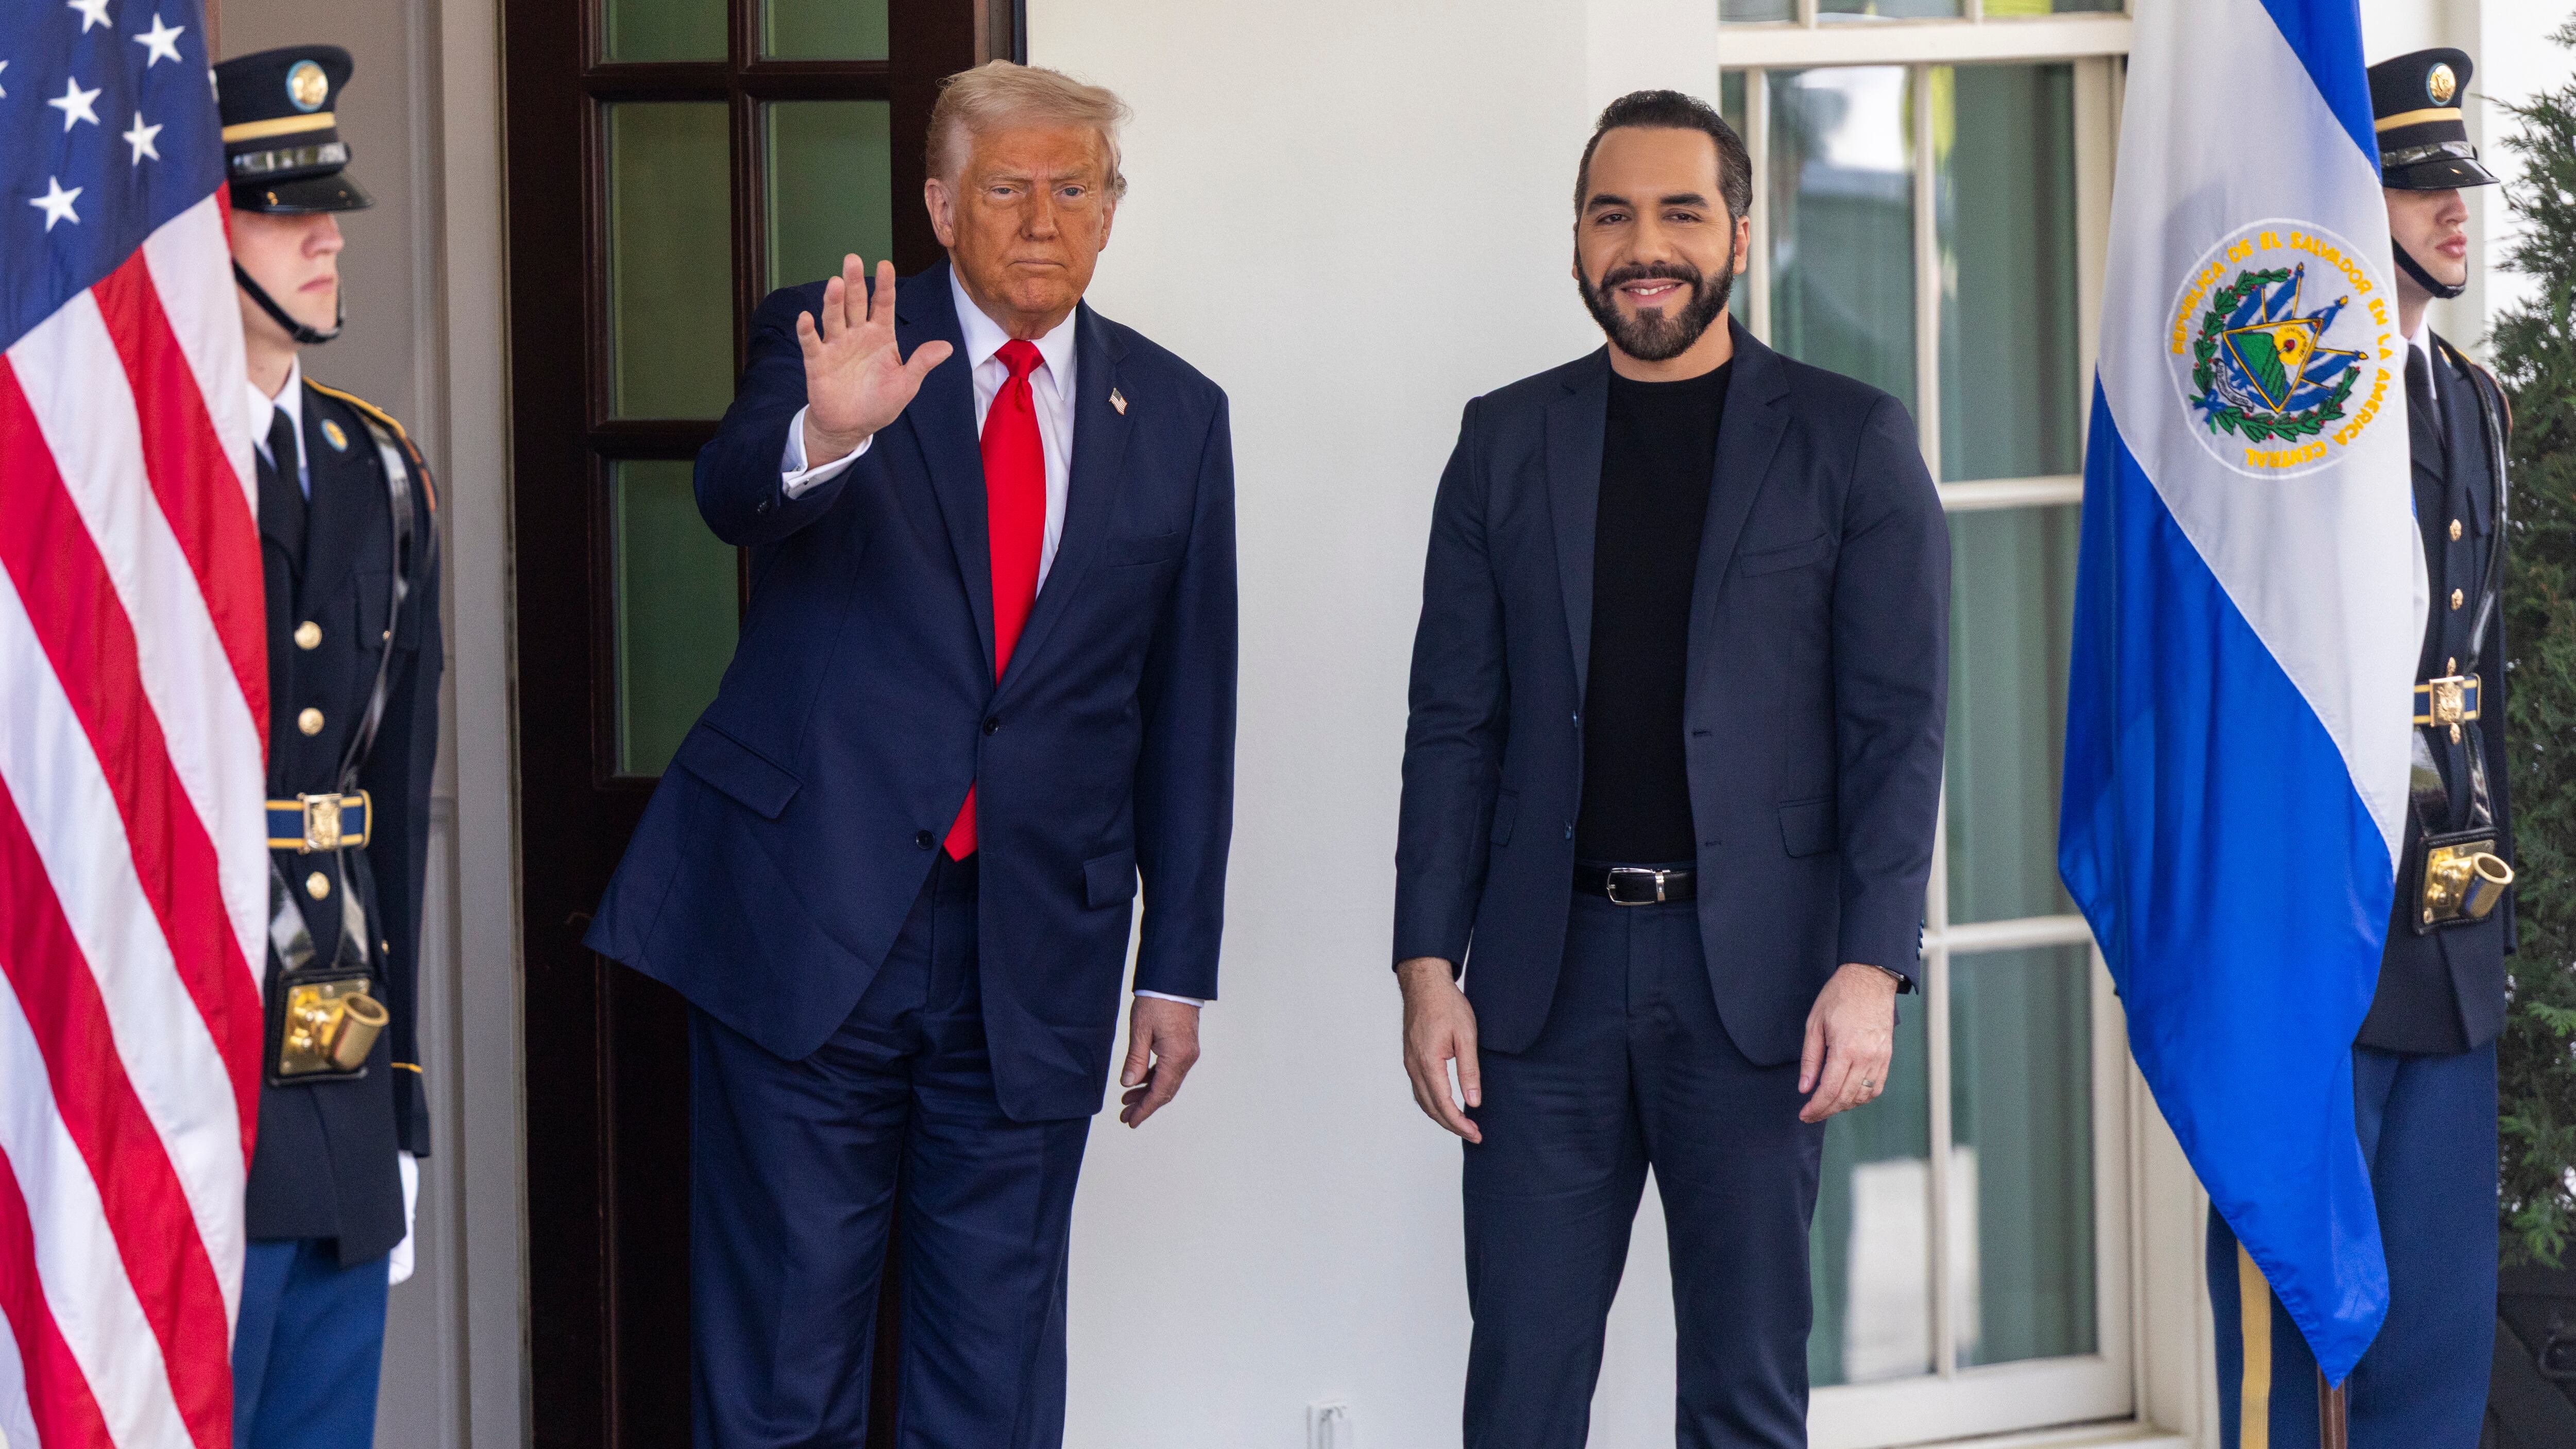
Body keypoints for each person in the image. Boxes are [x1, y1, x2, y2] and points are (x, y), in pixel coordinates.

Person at [584, 60, 1237, 1449]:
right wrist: (829, 431)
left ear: (1115, 212)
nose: (1045, 216)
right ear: (943, 206)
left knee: (989, 1383)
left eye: (1079, 186)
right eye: (1009, 187)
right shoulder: (836, 338)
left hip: (1034, 952)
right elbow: (729, 498)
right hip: (808, 922)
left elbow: (1188, 706)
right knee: (779, 1370)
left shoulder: (1178, 415)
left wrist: (1175, 965)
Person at [1392, 89, 1949, 1447]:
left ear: (1741, 237)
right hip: (1543, 982)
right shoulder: (1503, 441)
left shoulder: (1850, 440)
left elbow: (1898, 725)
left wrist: (1871, 968)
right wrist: (1424, 966)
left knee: (1747, 1390)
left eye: (1681, 213)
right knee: (1521, 1384)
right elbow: (1452, 721)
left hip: (1757, 987)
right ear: (1577, 244)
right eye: (1612, 214)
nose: (1646, 244)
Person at [2204, 46, 2516, 1449]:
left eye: (2461, 183)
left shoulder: (2474, 403)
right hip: (2309, 936)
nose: (2457, 212)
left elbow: (2479, 684)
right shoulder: (2278, 419)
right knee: (2288, 1350)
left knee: (2437, 1351)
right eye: (2417, 182)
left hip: (2447, 941)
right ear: (2344, 198)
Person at [219, 43, 441, 1449]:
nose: (325, 234)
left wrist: (400, 1095)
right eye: (279, 207)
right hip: (180, 1045)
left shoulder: (380, 470)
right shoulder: (124, 476)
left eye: (332, 203)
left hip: (335, 1045)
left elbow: (393, 792)